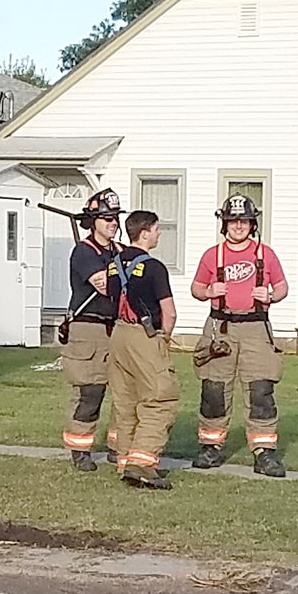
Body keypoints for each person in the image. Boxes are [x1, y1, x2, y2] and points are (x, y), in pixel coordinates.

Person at [189, 193, 289, 477]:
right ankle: (210, 447)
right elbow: (196, 288)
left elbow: (282, 287)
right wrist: (209, 292)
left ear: (252, 223)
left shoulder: (265, 254)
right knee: (214, 389)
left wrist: (270, 295)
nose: (238, 226)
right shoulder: (212, 255)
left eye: (244, 221)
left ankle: (264, 452)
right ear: (225, 225)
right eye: (233, 221)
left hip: (257, 328)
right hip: (220, 328)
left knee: (260, 389)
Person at [107, 210, 178, 491]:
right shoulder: (154, 267)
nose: (159, 234)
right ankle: (144, 462)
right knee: (160, 399)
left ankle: (126, 461)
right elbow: (169, 312)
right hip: (144, 335)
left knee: (126, 403)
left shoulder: (113, 264)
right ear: (145, 233)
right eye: (157, 229)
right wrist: (164, 339)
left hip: (118, 335)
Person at [59, 188, 123, 471]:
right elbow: (106, 286)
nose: (113, 223)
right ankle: (79, 448)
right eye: (107, 218)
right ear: (93, 220)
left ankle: (118, 445)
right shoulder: (83, 252)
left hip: (119, 328)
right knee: (91, 391)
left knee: (124, 390)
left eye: (115, 218)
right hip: (89, 328)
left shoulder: (121, 251)